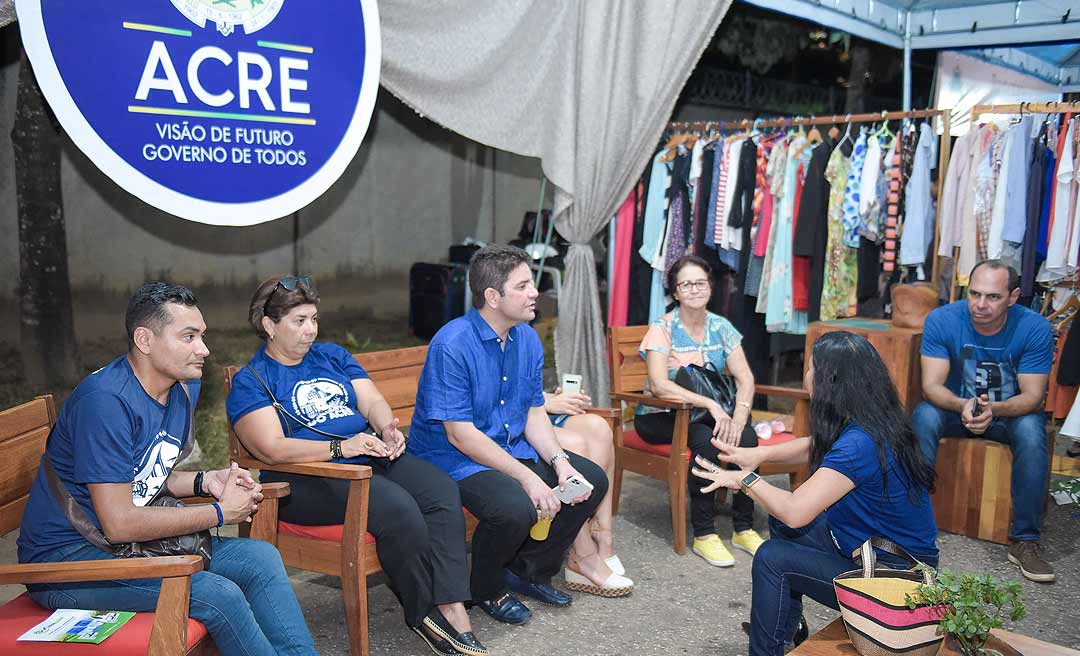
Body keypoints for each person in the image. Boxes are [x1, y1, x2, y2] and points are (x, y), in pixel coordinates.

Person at [17, 282, 317, 655]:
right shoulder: (106, 403)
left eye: (202, 335)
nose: (204, 349)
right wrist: (219, 513)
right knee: (217, 594)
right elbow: (120, 522)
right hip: (66, 563)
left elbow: (145, 475)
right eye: (188, 337)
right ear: (145, 340)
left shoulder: (182, 387)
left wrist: (208, 481)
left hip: (126, 547)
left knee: (260, 559)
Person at [226, 275, 486, 656]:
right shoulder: (254, 381)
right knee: (398, 509)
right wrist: (340, 448)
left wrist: (386, 427)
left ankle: (451, 604)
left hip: (365, 455)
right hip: (306, 481)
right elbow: (272, 449)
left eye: (313, 319)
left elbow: (372, 401)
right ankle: (423, 612)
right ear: (269, 325)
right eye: (299, 321)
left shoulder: (331, 355)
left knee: (441, 490)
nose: (310, 329)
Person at [409, 244, 629, 628]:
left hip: (508, 446)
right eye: (524, 285)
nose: (534, 293)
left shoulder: (524, 337)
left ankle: (527, 572)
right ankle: (487, 588)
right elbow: (460, 435)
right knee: (514, 507)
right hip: (452, 460)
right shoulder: (452, 343)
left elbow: (531, 411)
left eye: (533, 284)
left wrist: (560, 465)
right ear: (493, 297)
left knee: (588, 480)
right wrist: (528, 477)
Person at [694, 330, 939, 656]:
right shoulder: (873, 419)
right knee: (783, 526)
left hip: (895, 582)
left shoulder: (859, 442)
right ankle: (785, 626)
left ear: (831, 381)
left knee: (772, 558)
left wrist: (745, 481)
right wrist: (760, 455)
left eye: (811, 368)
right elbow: (815, 447)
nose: (805, 374)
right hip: (884, 554)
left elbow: (796, 509)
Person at [911, 259, 1054, 583]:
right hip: (955, 407)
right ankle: (912, 525)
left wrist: (995, 410)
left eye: (992, 297)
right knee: (923, 416)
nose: (980, 304)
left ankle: (1025, 541)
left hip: (1007, 413)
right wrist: (964, 404)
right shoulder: (942, 319)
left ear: (1013, 296)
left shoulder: (1034, 328)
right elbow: (931, 385)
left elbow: (1033, 396)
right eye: (974, 294)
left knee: (1033, 431)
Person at [633, 254, 764, 566]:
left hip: (711, 415)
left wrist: (738, 416)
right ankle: (704, 534)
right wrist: (711, 405)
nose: (694, 289)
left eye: (700, 283)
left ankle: (743, 528)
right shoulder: (662, 327)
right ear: (676, 292)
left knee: (745, 437)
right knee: (706, 439)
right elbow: (659, 384)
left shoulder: (722, 327)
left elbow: (745, 377)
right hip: (661, 415)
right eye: (686, 284)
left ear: (710, 287)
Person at [545, 390, 626, 578]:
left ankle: (602, 531)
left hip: (537, 411)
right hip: (512, 417)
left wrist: (555, 396)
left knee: (599, 427)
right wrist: (544, 402)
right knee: (575, 443)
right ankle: (581, 550)